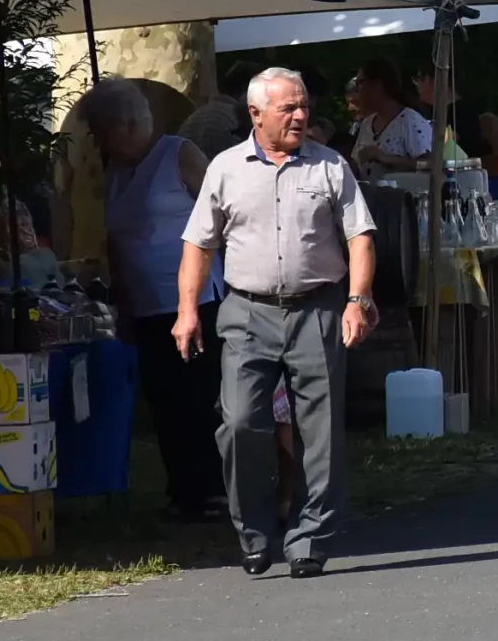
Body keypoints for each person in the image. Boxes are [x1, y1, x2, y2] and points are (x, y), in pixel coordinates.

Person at [175, 66, 379, 577]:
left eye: (304, 105)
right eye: (288, 108)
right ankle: (253, 530)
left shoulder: (331, 166)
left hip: (317, 307)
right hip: (245, 311)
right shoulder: (225, 168)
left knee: (321, 431)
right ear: (256, 114)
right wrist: (187, 312)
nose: (300, 115)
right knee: (241, 422)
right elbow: (198, 244)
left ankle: (310, 537)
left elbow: (360, 237)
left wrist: (357, 299)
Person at [80, 77, 226, 522]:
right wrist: (121, 302)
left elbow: (224, 212)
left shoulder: (178, 154)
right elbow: (118, 242)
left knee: (199, 396)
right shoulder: (117, 172)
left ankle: (216, 490)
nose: (101, 143)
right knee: (165, 401)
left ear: (126, 124)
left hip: (196, 300)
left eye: (102, 133)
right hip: (146, 306)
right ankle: (183, 492)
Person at [349, 57, 432, 178]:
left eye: (360, 82)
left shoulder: (410, 121)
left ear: (378, 84)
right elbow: (355, 166)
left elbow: (431, 165)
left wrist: (388, 159)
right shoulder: (367, 123)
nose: (358, 89)